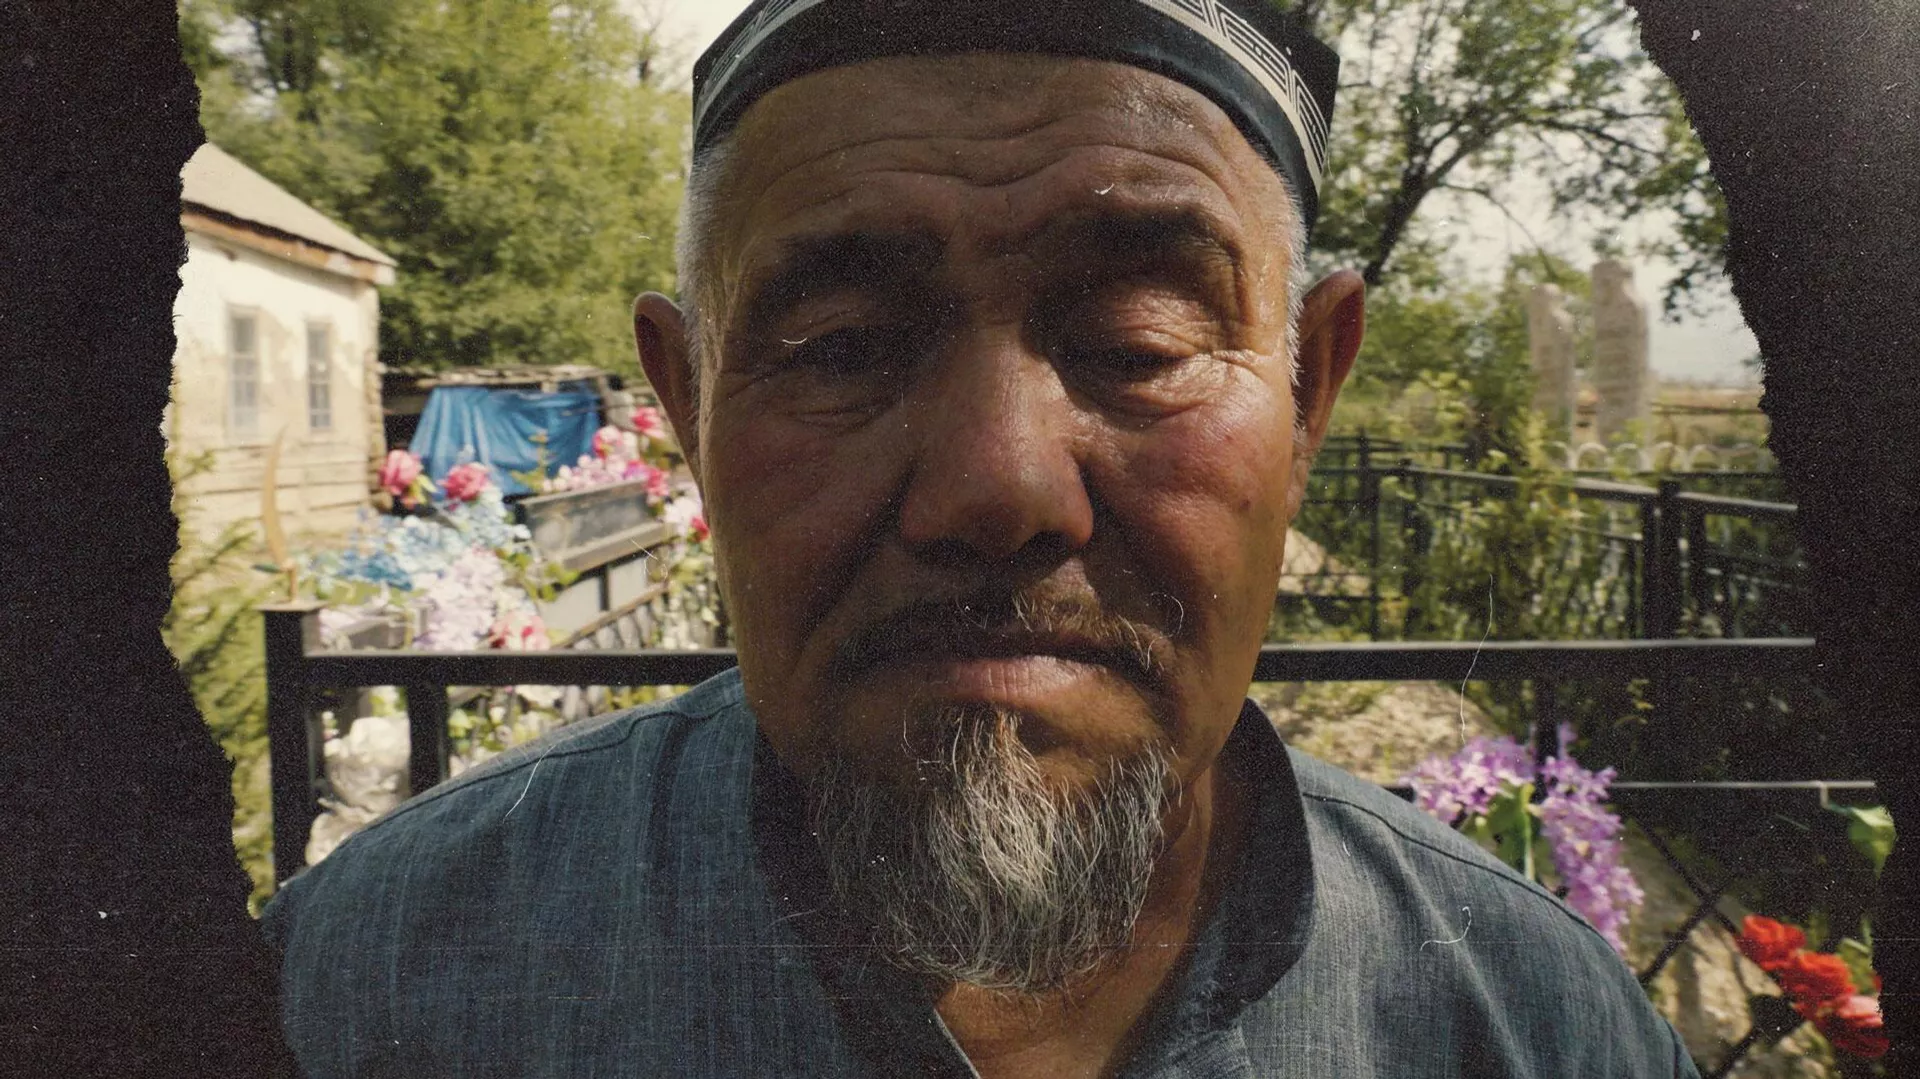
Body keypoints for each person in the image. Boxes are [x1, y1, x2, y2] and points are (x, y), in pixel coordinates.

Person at [263, 2, 1700, 1075]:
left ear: (1310, 392)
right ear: (688, 404)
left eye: (1140, 345)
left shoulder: (1526, 1026)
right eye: (840, 347)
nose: (995, 489)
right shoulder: (361, 996)